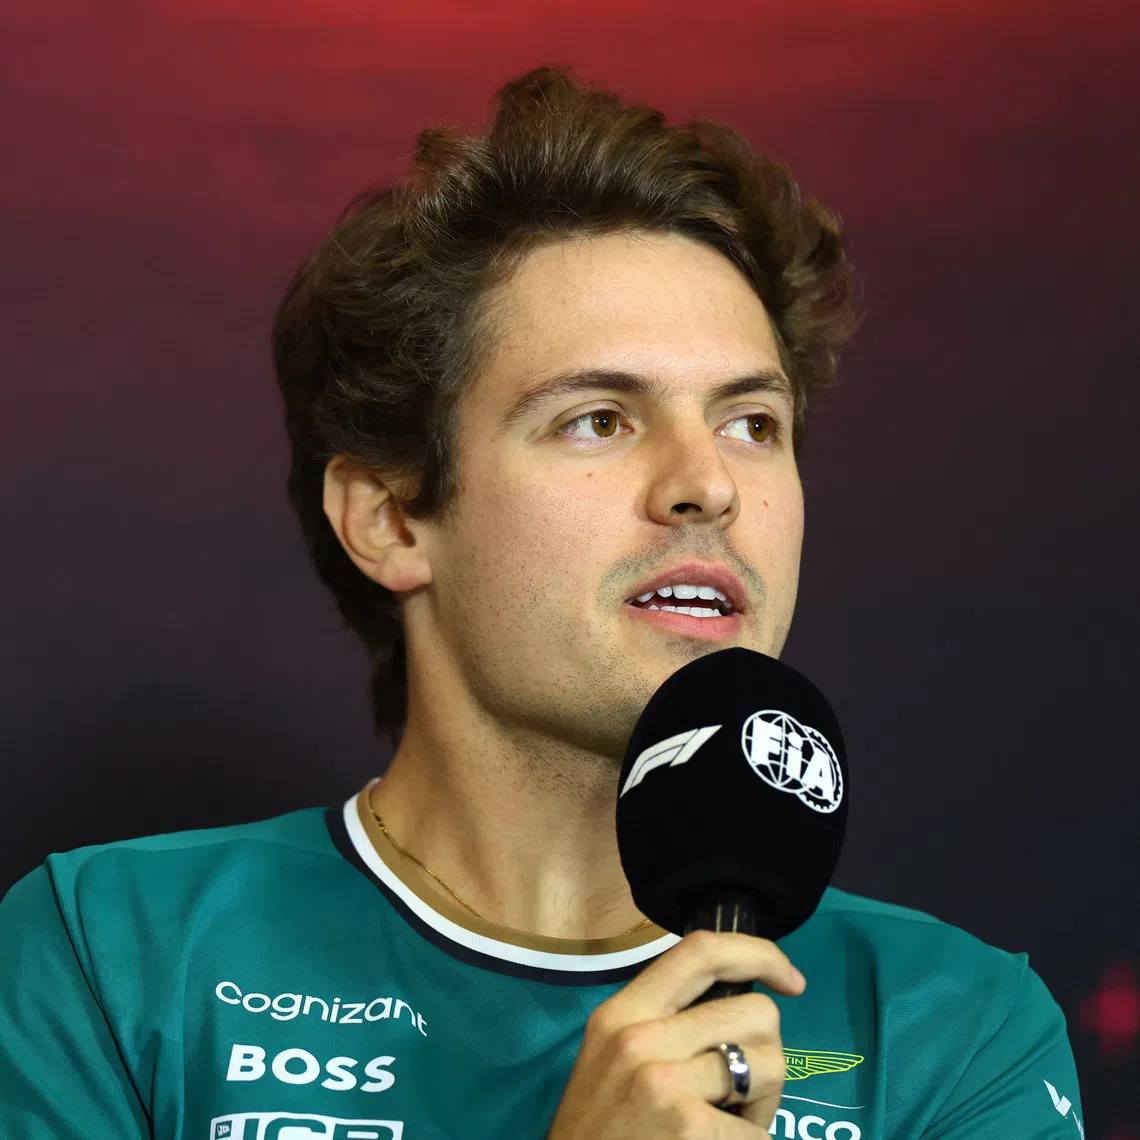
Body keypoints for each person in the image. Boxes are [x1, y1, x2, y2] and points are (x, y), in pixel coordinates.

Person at [0, 66, 1084, 1140]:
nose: (707, 483)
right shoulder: (108, 953)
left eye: (752, 422)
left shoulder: (956, 1030)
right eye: (599, 419)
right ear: (391, 516)